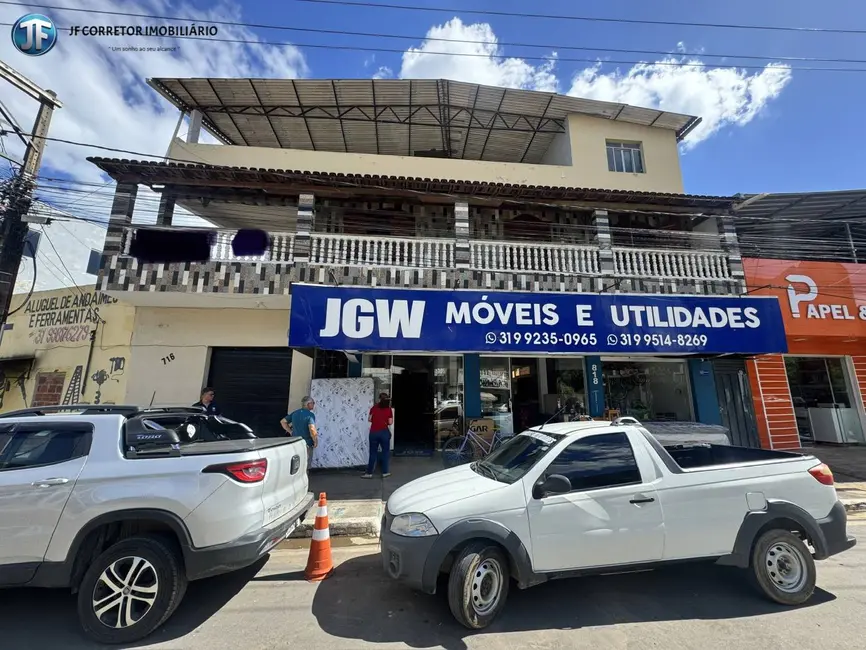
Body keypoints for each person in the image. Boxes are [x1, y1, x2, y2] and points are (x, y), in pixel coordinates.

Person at [281, 396, 318, 470]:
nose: (314, 404)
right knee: (305, 463)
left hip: (295, 442)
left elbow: (283, 421)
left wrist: (290, 431)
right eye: (313, 403)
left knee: (296, 463)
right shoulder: (310, 415)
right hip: (306, 443)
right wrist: (315, 440)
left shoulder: (295, 413)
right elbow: (312, 429)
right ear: (308, 404)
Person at [363, 392, 393, 479]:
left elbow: (369, 419)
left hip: (374, 433)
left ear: (379, 399)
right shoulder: (389, 409)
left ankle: (369, 473)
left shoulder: (374, 408)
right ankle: (385, 472)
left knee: (373, 453)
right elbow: (390, 422)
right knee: (385, 453)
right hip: (384, 433)